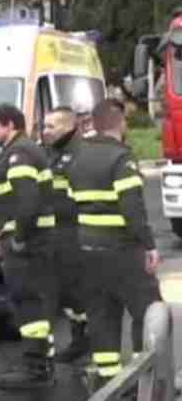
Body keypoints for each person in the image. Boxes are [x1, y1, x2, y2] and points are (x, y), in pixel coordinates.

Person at [69, 98, 161, 384]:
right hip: (122, 249)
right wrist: (149, 245)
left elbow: (70, 203)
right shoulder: (121, 158)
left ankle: (109, 379)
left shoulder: (78, 158)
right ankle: (144, 376)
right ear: (120, 123)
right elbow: (132, 209)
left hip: (87, 248)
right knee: (147, 309)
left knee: (102, 314)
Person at [0, 102, 56, 390]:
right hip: (28, 242)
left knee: (28, 304)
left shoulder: (20, 154)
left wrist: (18, 238)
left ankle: (35, 368)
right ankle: (39, 360)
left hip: (27, 244)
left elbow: (28, 203)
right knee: (32, 302)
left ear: (10, 125)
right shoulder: (19, 151)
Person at [41, 108, 88, 362]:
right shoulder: (50, 153)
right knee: (67, 289)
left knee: (79, 288)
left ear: (69, 127)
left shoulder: (80, 153)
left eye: (51, 126)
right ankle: (79, 339)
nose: (45, 131)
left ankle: (90, 340)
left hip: (76, 231)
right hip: (56, 231)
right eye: (45, 126)